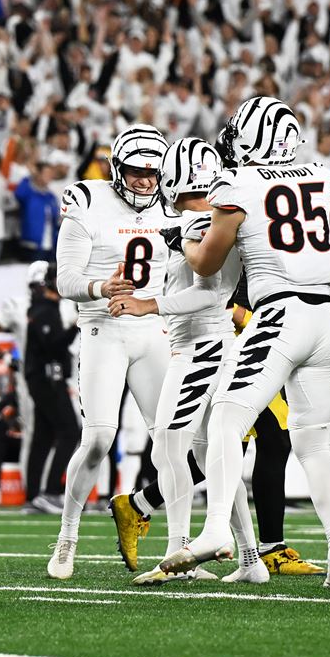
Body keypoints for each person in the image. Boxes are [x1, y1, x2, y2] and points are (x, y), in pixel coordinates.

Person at [160, 96, 330, 589]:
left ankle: (212, 530)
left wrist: (183, 240)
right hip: (329, 315)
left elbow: (207, 263)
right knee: (315, 445)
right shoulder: (320, 174)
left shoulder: (237, 183)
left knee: (225, 420)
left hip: (282, 313)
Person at [109, 137, 265, 585]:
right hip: (209, 345)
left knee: (168, 446)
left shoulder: (197, 223)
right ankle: (251, 559)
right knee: (208, 454)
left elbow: (209, 295)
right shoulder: (212, 219)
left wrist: (148, 305)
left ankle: (178, 552)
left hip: (202, 346)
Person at [46, 124, 173, 580]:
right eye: (137, 170)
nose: (145, 180)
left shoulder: (173, 201)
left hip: (155, 329)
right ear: (117, 169)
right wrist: (102, 287)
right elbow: (65, 280)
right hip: (104, 328)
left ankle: (179, 547)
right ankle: (67, 535)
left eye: (153, 172)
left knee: (176, 444)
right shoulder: (88, 200)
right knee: (99, 437)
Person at [22, 261, 79, 513]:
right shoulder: (44, 309)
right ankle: (52, 491)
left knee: (43, 437)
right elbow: (53, 346)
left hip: (44, 378)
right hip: (47, 379)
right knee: (70, 431)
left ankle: (34, 495)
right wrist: (76, 326)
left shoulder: (44, 308)